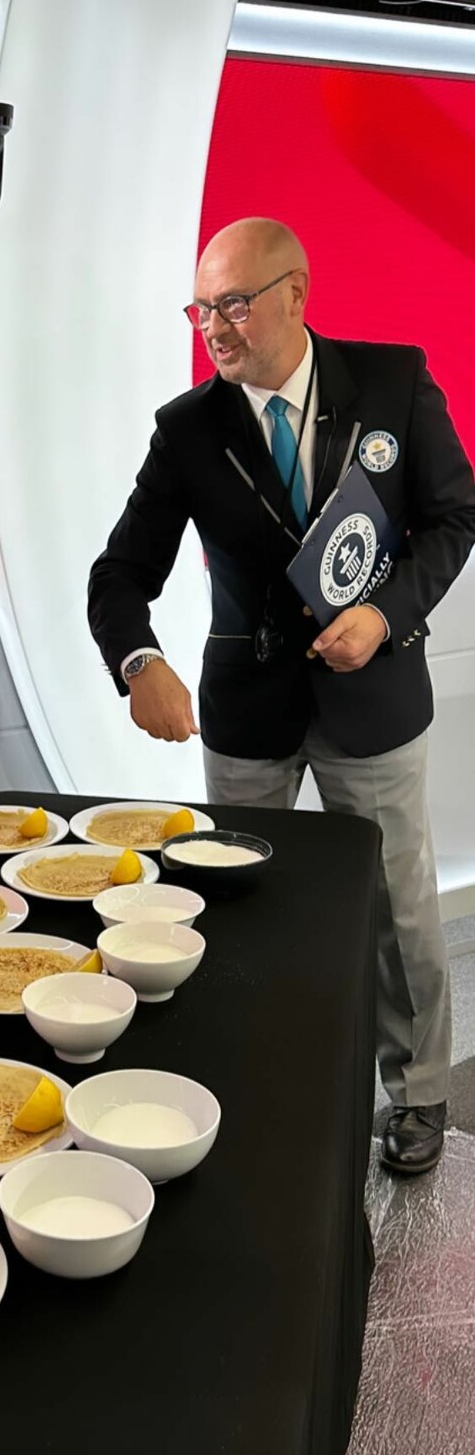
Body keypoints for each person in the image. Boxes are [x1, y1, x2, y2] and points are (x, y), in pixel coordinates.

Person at [88, 218, 475, 1174]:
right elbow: (119, 572)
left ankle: (418, 1095)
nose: (214, 328)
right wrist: (139, 661)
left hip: (373, 699)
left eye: (233, 304)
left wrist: (384, 614)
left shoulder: (392, 382)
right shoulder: (187, 429)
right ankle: (248, 1084)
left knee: (397, 909)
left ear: (295, 294)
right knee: (237, 907)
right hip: (249, 710)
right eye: (200, 310)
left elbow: (455, 516)